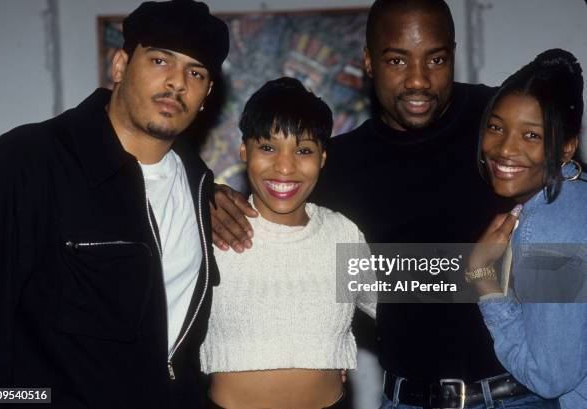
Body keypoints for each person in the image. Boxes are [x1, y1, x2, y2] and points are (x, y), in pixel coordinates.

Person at [210, 0, 555, 407]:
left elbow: (571, 267)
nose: (418, 81)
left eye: (436, 59)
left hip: (519, 396)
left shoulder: (503, 123)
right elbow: (297, 268)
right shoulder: (334, 167)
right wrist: (205, 195)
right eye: (397, 61)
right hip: (405, 399)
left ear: (454, 55)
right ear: (369, 62)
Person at [0, 1, 228, 408]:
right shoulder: (25, 162)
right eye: (160, 60)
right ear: (120, 65)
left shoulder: (201, 187)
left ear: (207, 94)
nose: (177, 82)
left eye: (195, 72)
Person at [200, 77, 377, 409]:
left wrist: (488, 268)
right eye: (268, 147)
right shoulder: (214, 228)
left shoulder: (342, 234)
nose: (284, 166)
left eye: (303, 150)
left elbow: (408, 303)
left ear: (322, 158)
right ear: (243, 152)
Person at [466, 48, 587, 409]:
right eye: (496, 127)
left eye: (531, 136)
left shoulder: (550, 228)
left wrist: (486, 281)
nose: (504, 149)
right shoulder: (572, 201)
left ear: (566, 148)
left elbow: (550, 378)